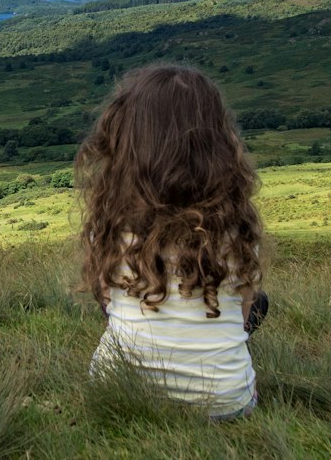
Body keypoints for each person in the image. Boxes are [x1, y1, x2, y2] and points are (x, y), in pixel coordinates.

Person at [76, 64, 267, 420]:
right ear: (218, 143)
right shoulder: (235, 228)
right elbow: (242, 316)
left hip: (114, 390)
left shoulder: (111, 224)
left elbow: (105, 300)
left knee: (119, 301)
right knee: (259, 304)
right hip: (226, 405)